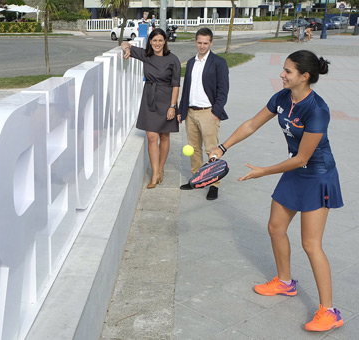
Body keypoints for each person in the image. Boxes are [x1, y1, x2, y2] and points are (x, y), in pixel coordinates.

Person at [209, 50, 344, 332]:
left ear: (304, 77)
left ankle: (329, 311)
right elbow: (251, 124)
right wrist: (223, 147)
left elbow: (302, 158)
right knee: (275, 227)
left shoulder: (317, 109)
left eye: (288, 71)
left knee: (310, 244)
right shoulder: (282, 98)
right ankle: (285, 282)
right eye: (283, 69)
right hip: (294, 171)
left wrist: (262, 171)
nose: (282, 75)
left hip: (317, 175)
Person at [121, 28, 181, 188]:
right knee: (152, 137)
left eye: (160, 40)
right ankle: (154, 174)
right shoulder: (146, 55)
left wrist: (172, 107)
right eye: (154, 40)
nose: (157, 43)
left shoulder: (173, 59)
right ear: (150, 42)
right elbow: (123, 42)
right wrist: (127, 50)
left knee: (164, 137)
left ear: (165, 42)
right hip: (150, 100)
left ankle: (161, 169)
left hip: (167, 100)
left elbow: (176, 85)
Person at [178, 28, 229, 200]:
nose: (201, 46)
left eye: (205, 43)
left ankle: (214, 184)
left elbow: (223, 90)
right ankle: (197, 178)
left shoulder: (218, 63)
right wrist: (181, 110)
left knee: (211, 149)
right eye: (199, 42)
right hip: (191, 112)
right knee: (193, 149)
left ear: (211, 43)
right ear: (195, 42)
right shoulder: (192, 62)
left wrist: (216, 112)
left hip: (208, 112)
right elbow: (186, 89)